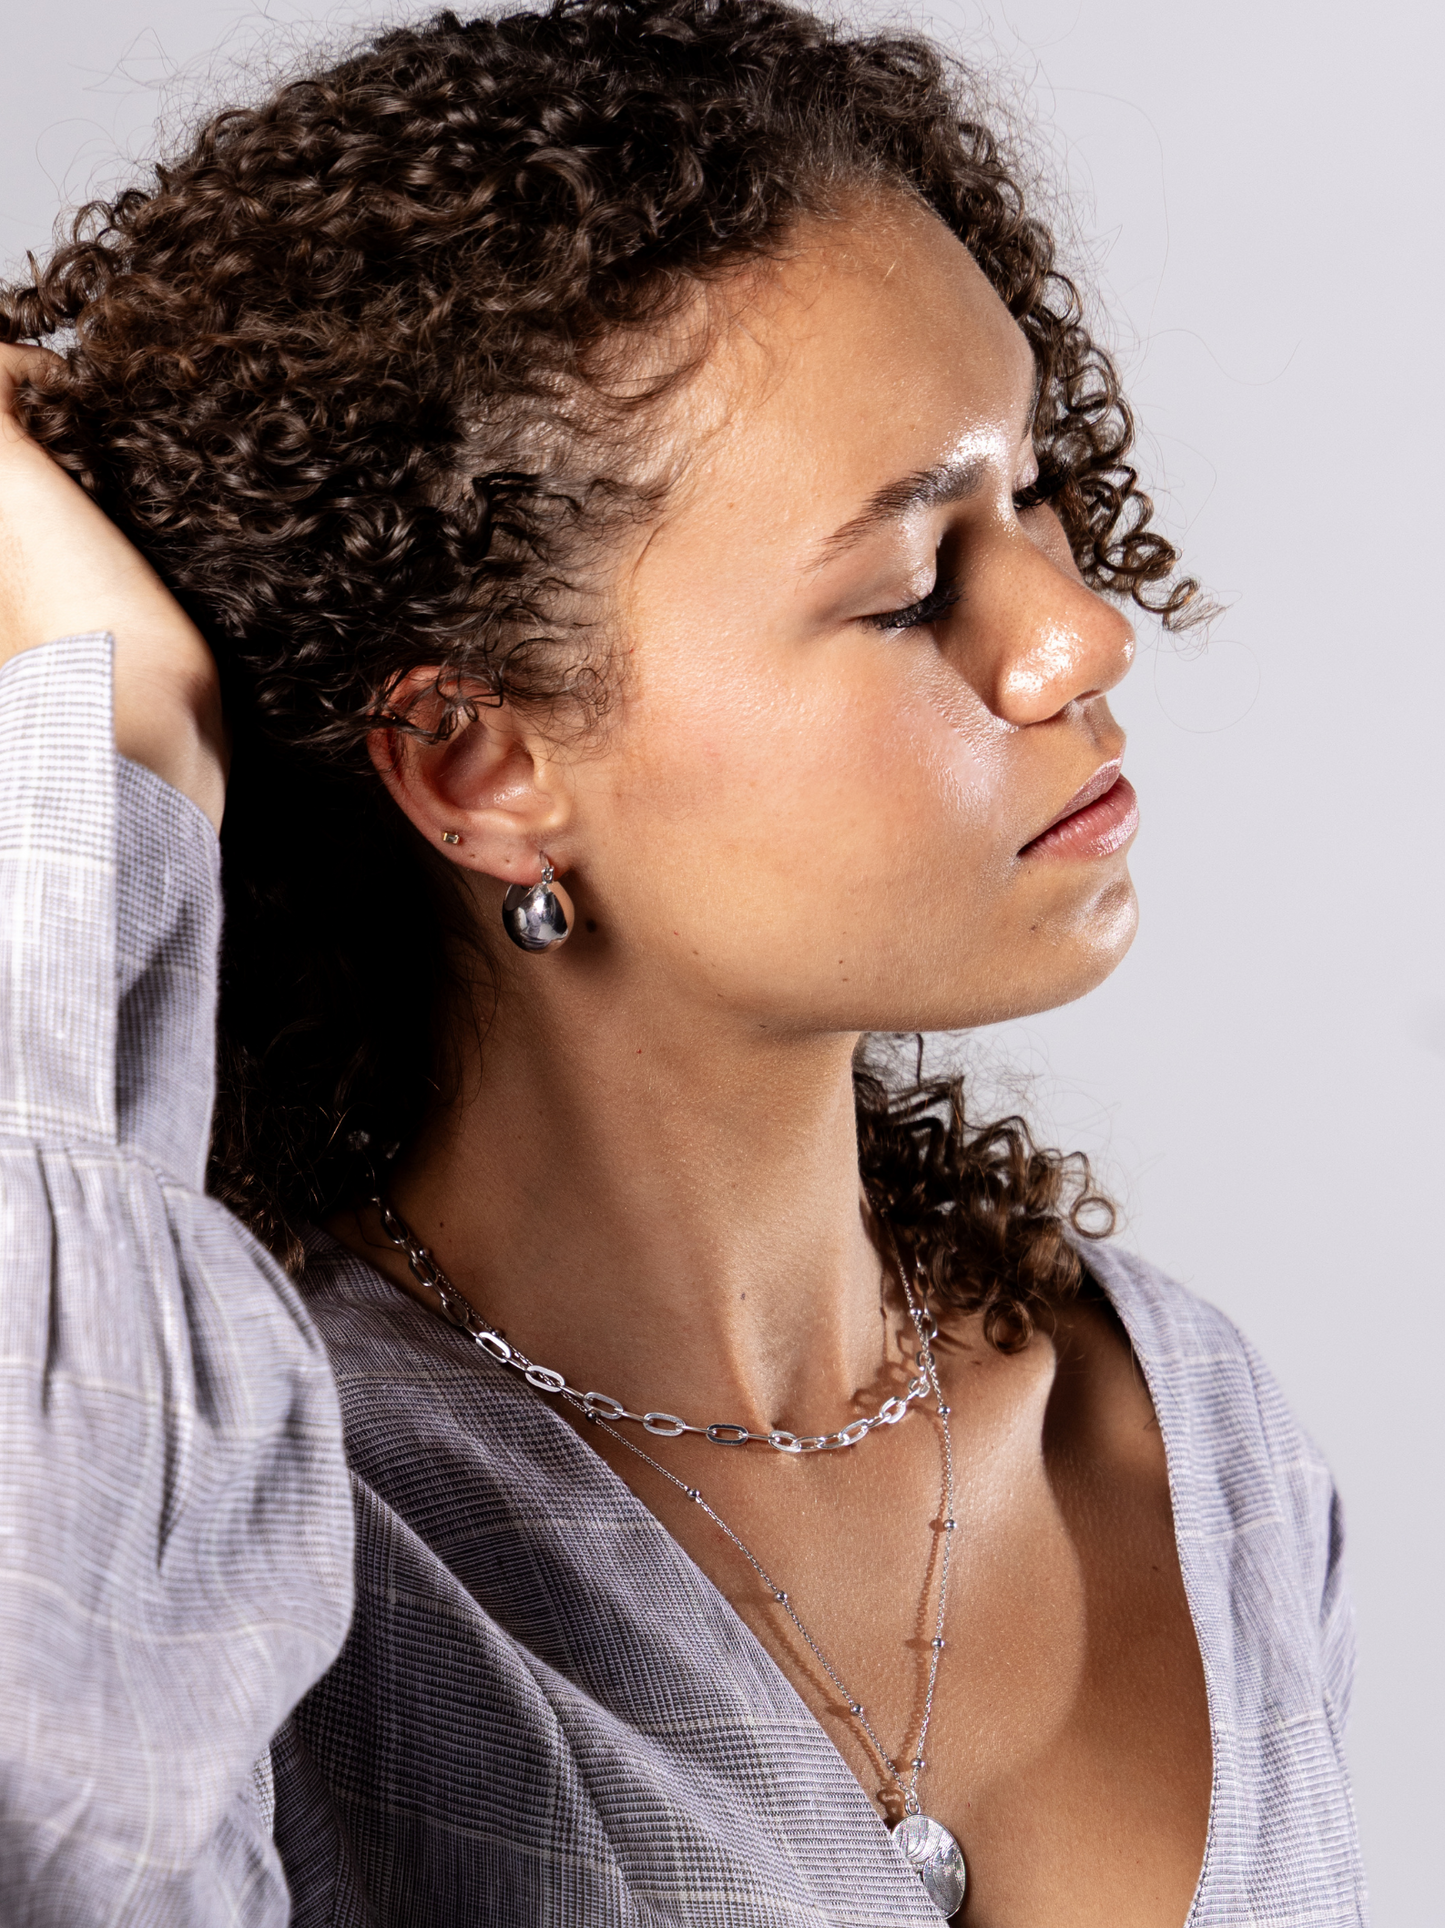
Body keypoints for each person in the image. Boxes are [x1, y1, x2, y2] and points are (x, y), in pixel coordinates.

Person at [0, 1, 1365, 1922]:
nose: (1075, 637)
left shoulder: (1178, 1439)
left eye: (1033, 489)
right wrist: (109, 762)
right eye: (907, 589)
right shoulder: (221, 1525)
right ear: (480, 763)